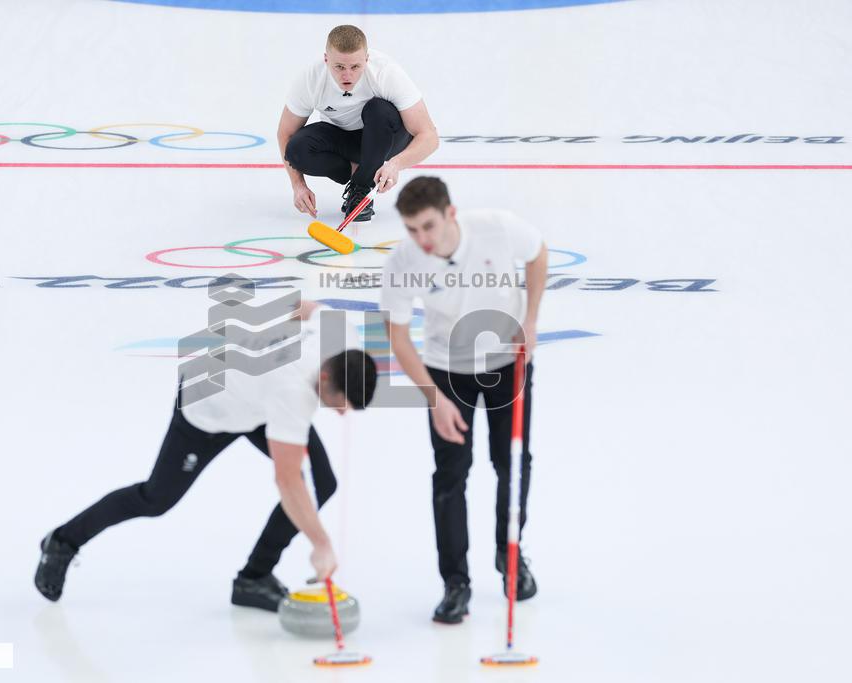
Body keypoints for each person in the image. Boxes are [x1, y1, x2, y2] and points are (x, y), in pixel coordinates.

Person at [35, 300, 378, 612]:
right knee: (156, 498)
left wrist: (267, 353)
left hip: (257, 400)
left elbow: (302, 306)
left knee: (321, 483)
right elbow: (287, 481)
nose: (341, 414)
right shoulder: (293, 392)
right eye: (338, 403)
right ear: (324, 375)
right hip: (207, 405)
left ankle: (254, 578)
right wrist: (321, 544)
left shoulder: (340, 331)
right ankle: (62, 541)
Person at [380, 177, 548, 624]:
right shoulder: (403, 261)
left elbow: (537, 253)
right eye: (412, 229)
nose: (421, 239)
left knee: (512, 462)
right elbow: (398, 337)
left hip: (507, 362)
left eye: (428, 226)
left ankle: (510, 554)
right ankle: (455, 583)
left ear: (450, 213)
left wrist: (531, 320)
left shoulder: (497, 227)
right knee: (451, 475)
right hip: (446, 371)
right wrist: (434, 399)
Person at [278, 24, 439, 223]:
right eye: (339, 67)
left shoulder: (385, 72)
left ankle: (362, 186)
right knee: (296, 150)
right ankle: (363, 173)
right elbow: (285, 133)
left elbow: (429, 136)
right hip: (345, 141)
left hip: (387, 137)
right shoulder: (311, 78)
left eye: (355, 67)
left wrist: (395, 164)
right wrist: (298, 186)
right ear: (326, 60)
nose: (347, 76)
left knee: (377, 109)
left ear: (366, 59)